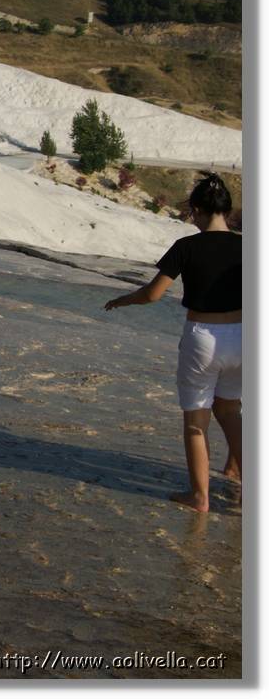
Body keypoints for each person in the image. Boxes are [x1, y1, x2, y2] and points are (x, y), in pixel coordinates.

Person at [104, 173, 241, 513]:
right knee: (230, 411)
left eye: (192, 214)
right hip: (243, 338)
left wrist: (122, 300)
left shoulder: (186, 247)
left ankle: (200, 497)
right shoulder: (248, 247)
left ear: (197, 210)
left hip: (203, 338)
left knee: (197, 421)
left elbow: (153, 294)